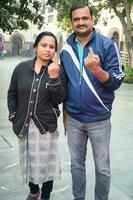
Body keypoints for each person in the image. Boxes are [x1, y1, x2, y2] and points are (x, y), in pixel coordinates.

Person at [60, 2, 125, 200]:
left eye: (84, 18)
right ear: (71, 22)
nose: (81, 22)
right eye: (76, 19)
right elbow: (65, 85)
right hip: (73, 121)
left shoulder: (107, 45)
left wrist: (96, 70)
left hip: (99, 120)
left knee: (103, 169)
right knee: (76, 166)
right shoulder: (65, 49)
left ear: (92, 19)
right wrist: (65, 115)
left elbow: (116, 81)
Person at [7, 31, 67, 200]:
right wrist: (13, 114)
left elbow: (60, 98)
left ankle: (46, 195)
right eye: (43, 45)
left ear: (55, 51)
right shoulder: (21, 68)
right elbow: (12, 93)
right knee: (29, 163)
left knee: (48, 166)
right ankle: (34, 191)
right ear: (35, 47)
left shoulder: (57, 70)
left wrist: (54, 78)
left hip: (45, 127)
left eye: (52, 47)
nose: (47, 49)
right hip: (24, 125)